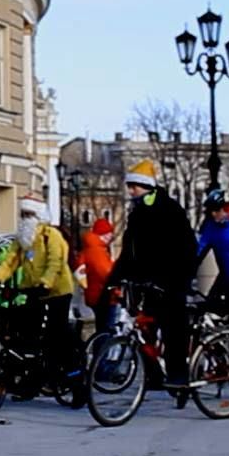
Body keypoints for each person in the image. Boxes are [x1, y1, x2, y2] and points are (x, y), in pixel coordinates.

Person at [105, 160, 198, 390]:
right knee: (145, 327)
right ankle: (154, 373)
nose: (131, 191)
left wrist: (177, 278)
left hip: (171, 281)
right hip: (147, 282)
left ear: (147, 186)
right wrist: (114, 279)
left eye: (135, 186)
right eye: (130, 186)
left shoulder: (169, 208)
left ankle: (179, 374)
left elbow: (185, 247)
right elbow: (129, 252)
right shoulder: (136, 215)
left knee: (173, 327)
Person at [0, 198, 78, 389]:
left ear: (39, 216)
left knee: (57, 334)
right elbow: (10, 262)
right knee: (27, 333)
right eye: (23, 214)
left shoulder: (51, 236)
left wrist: (45, 283)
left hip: (57, 290)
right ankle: (32, 378)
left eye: (29, 214)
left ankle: (75, 378)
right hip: (32, 290)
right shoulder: (22, 239)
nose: (25, 218)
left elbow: (56, 262)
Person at [75, 217, 118, 335]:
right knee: (106, 331)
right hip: (104, 295)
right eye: (109, 233)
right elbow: (106, 273)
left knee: (101, 329)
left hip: (95, 295)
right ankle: (103, 353)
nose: (111, 237)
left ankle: (99, 351)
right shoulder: (97, 251)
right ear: (103, 234)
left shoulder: (90, 249)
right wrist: (118, 290)